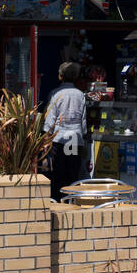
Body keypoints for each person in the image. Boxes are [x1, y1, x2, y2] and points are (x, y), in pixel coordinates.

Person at [43, 62, 89, 203]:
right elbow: (83, 120)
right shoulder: (80, 95)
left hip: (59, 138)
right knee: (72, 171)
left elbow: (50, 120)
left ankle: (58, 201)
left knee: (58, 173)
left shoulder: (56, 94)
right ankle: (71, 200)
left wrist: (45, 137)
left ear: (60, 76)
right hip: (74, 138)